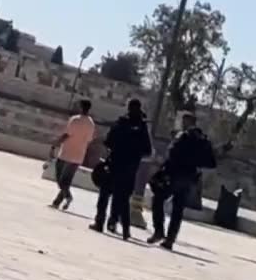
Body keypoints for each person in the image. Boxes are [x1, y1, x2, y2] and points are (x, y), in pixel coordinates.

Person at [148, 111, 219, 250]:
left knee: (158, 199)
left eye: (183, 121)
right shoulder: (204, 141)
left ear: (188, 122)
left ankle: (159, 231)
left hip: (175, 175)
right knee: (178, 209)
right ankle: (170, 240)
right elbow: (212, 162)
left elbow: (172, 155)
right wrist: (196, 163)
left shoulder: (183, 137)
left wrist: (164, 170)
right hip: (190, 178)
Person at [90, 98, 153, 241]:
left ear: (129, 108)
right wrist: (135, 154)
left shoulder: (121, 123)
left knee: (105, 194)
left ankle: (99, 222)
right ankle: (122, 228)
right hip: (130, 169)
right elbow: (148, 150)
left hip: (114, 164)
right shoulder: (142, 128)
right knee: (123, 199)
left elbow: (108, 141)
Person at [49, 99, 96, 211]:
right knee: (66, 180)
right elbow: (89, 139)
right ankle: (57, 202)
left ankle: (67, 196)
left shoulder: (75, 120)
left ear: (81, 107)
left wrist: (56, 143)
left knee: (60, 178)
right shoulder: (91, 124)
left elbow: (67, 134)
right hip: (79, 154)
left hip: (66, 152)